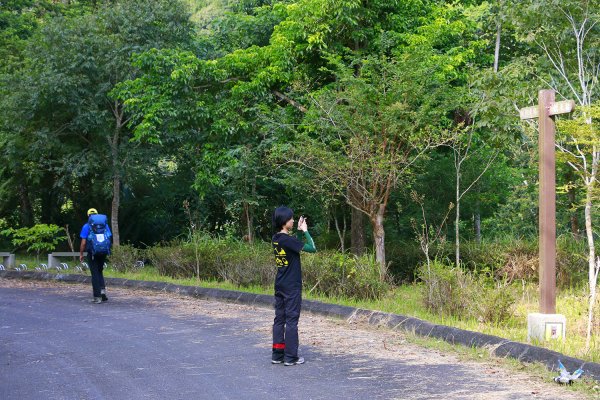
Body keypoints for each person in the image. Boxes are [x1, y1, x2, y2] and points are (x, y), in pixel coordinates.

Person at [271, 206, 316, 366]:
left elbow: (292, 247)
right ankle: (291, 357)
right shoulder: (288, 240)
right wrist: (305, 231)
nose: (292, 220)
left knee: (279, 319)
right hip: (292, 286)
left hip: (280, 283)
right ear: (284, 221)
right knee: (291, 320)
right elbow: (312, 248)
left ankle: (277, 354)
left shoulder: (276, 238)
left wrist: (296, 231)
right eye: (291, 219)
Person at [79, 208, 111, 304]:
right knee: (100, 271)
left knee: (95, 273)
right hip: (103, 251)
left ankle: (97, 297)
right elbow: (109, 237)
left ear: (88, 216)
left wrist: (81, 254)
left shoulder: (86, 226)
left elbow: (83, 243)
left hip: (92, 253)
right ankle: (103, 293)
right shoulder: (105, 226)